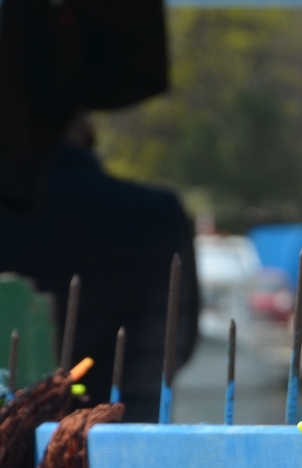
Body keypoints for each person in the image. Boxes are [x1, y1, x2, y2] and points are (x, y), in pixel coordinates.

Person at [0, 115, 198, 422]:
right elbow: (179, 342)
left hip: (10, 442)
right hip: (125, 443)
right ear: (90, 135)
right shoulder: (157, 215)